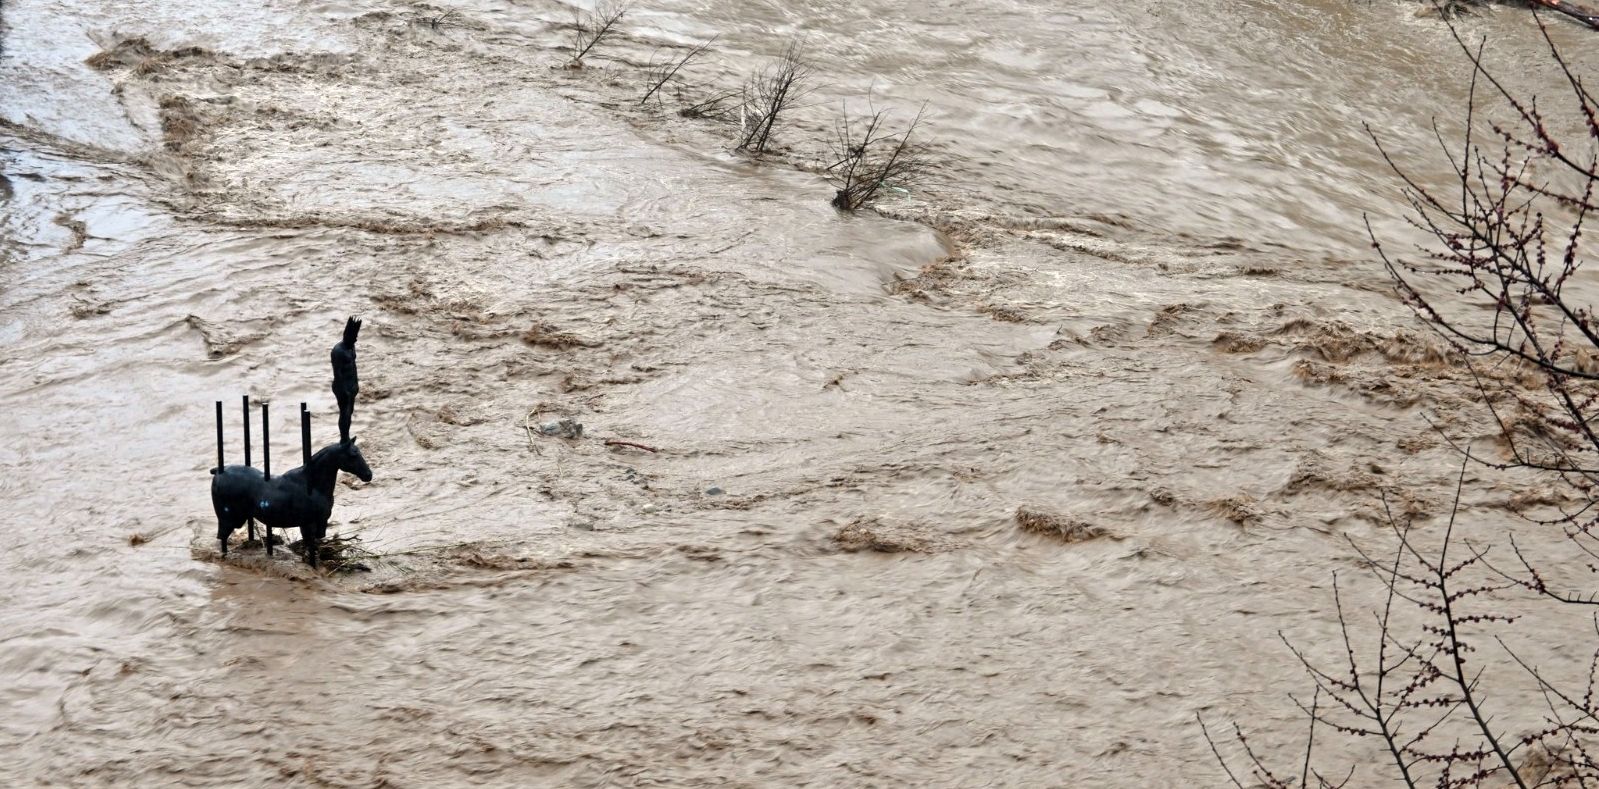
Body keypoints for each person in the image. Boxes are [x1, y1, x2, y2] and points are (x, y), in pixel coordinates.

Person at [331, 317, 361, 443]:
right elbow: (337, 373)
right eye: (353, 337)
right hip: (342, 386)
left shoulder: (351, 347)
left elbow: (354, 366)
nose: (355, 340)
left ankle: (346, 434)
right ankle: (344, 438)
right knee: (345, 412)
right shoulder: (338, 351)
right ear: (346, 336)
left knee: (350, 411)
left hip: (352, 384)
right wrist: (344, 390)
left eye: (356, 337)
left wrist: (356, 384)